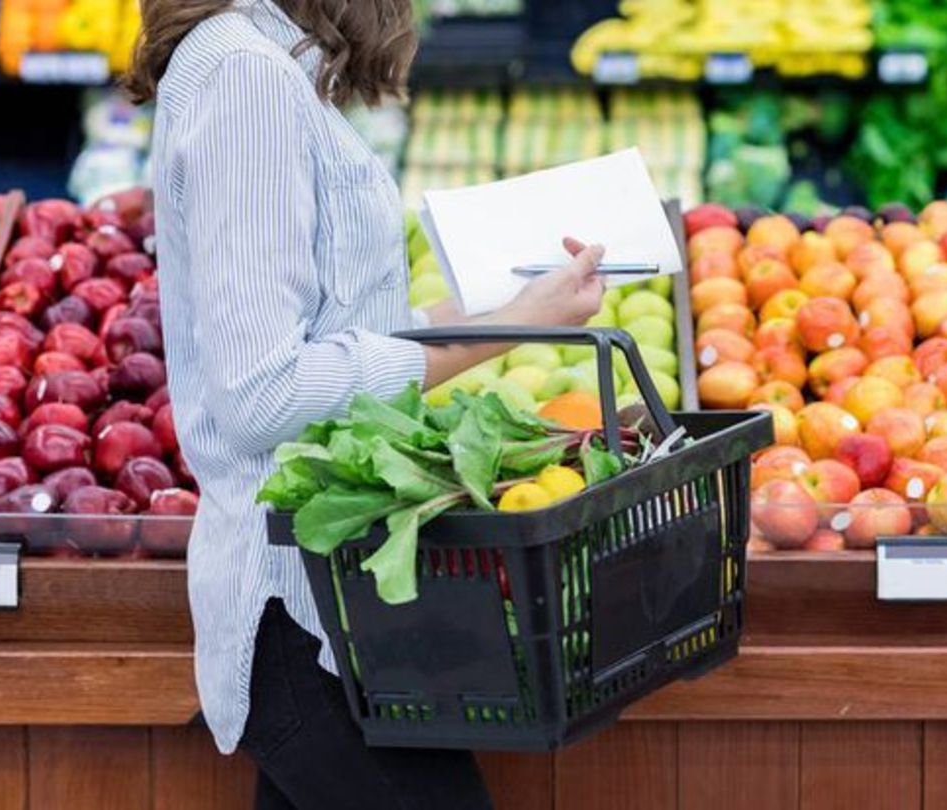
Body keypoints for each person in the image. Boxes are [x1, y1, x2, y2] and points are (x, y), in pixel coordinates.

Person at [127, 1, 606, 807]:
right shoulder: (245, 77)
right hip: (297, 608)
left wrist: (514, 308)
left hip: (342, 600)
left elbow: (336, 336)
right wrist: (499, 337)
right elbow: (263, 393)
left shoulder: (268, 67)